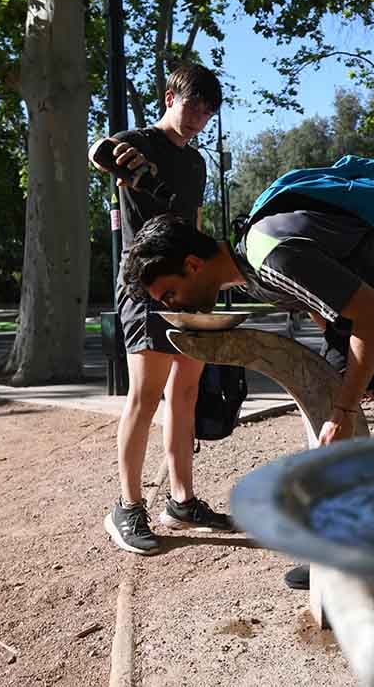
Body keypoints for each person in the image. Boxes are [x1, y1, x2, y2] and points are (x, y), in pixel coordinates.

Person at [121, 183, 374, 586]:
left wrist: (346, 405)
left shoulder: (272, 257)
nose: (175, 306)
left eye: (170, 294)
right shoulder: (246, 273)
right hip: (360, 313)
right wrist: (348, 368)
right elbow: (316, 301)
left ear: (192, 264)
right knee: (326, 420)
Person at [94, 63, 233, 557]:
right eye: (193, 104)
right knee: (144, 397)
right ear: (170, 96)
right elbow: (101, 152)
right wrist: (117, 156)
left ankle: (182, 499)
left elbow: (193, 223)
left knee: (187, 391)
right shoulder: (139, 141)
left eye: (208, 110)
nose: (200, 116)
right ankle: (127, 507)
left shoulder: (195, 165)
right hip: (146, 287)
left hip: (190, 286)